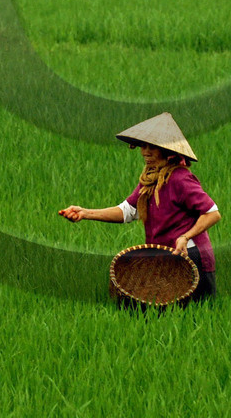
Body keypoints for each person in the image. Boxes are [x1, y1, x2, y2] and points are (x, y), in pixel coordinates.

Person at [58, 112, 221, 304]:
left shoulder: (181, 179)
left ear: (167, 150)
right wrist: (86, 213)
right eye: (144, 146)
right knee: (158, 313)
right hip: (162, 256)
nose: (146, 152)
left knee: (195, 314)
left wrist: (185, 237)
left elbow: (212, 213)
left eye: (153, 147)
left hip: (190, 257)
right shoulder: (150, 179)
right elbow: (128, 210)